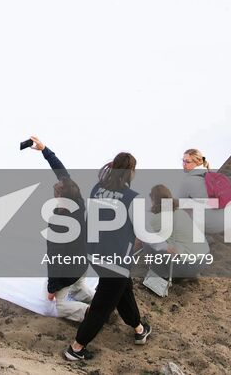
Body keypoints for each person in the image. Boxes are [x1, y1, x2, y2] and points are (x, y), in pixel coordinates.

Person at [63, 152, 150, 361]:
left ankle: (139, 329)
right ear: (131, 172)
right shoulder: (133, 198)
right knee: (103, 305)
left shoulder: (96, 189)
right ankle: (76, 348)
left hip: (95, 253)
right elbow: (141, 233)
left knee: (122, 289)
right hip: (117, 259)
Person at [26, 136, 92, 321]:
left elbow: (55, 258)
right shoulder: (78, 202)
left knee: (61, 307)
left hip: (68, 269)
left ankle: (92, 313)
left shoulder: (58, 222)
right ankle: (101, 301)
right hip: (82, 263)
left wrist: (52, 288)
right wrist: (45, 150)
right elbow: (62, 172)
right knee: (80, 288)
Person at [143, 185, 211, 287]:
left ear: (154, 200)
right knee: (171, 242)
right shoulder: (180, 212)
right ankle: (188, 275)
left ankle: (158, 279)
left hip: (189, 264)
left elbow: (143, 240)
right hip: (204, 259)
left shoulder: (157, 219)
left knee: (147, 242)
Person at [176, 149, 231, 235]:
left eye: (187, 162)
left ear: (196, 163)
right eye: (183, 160)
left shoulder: (188, 181)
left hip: (215, 225)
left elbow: (177, 204)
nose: (184, 164)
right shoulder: (211, 175)